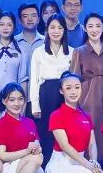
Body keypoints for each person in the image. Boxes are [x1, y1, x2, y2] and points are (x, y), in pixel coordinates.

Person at [46, 72, 103, 173]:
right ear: (61, 91)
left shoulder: (86, 116)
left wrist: (94, 161)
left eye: (77, 87)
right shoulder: (56, 115)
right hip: (62, 164)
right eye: (68, 88)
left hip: (81, 163)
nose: (73, 92)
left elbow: (92, 144)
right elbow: (65, 146)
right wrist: (88, 166)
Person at [70, 13, 103, 169]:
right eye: (90, 26)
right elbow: (73, 80)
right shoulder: (79, 51)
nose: (94, 30)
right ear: (85, 29)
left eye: (98, 26)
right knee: (90, 131)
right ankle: (89, 168)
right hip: (87, 98)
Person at [30, 16, 72, 156]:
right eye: (52, 27)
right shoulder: (39, 52)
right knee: (47, 132)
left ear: (64, 31)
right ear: (47, 30)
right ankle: (46, 163)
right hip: (46, 95)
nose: (56, 31)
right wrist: (35, 106)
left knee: (65, 132)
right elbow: (34, 80)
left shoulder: (72, 52)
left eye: (60, 28)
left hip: (65, 95)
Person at [15, 2, 44, 88]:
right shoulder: (13, 42)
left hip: (40, 90)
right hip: (18, 91)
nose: (30, 19)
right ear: (20, 20)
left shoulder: (46, 42)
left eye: (33, 16)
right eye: (25, 16)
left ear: (39, 19)